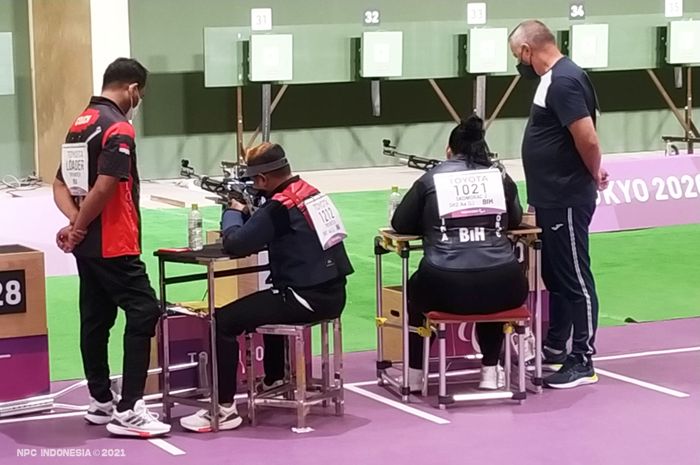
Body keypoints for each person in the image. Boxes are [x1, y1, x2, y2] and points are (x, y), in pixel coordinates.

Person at [180, 142, 354, 432]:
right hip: (333, 294)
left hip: (304, 297)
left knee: (223, 321)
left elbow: (236, 243)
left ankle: (222, 409)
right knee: (268, 299)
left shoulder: (278, 207)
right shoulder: (310, 193)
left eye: (254, 182)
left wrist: (234, 211)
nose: (255, 188)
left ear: (262, 180)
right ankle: (273, 378)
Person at [52, 58, 170, 437]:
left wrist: (74, 227)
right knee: (144, 310)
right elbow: (104, 185)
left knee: (96, 319)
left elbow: (59, 184)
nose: (139, 101)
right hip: (114, 242)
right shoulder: (118, 127)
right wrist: (82, 226)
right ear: (133, 89)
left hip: (88, 247)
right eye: (141, 95)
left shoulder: (79, 124)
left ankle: (100, 400)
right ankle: (130, 407)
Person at [391, 115, 528, 392]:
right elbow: (515, 220)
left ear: (449, 150)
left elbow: (400, 224)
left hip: (444, 287)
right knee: (490, 288)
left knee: (415, 291)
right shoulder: (500, 177)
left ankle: (416, 375)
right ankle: (490, 370)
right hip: (507, 285)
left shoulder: (430, 179)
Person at [509, 20, 609, 389]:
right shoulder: (555, 79)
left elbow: (588, 138)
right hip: (552, 197)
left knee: (575, 278)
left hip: (565, 197)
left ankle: (582, 359)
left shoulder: (564, 81)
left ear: (526, 51)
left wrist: (593, 172)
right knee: (555, 275)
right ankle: (556, 346)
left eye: (516, 58)